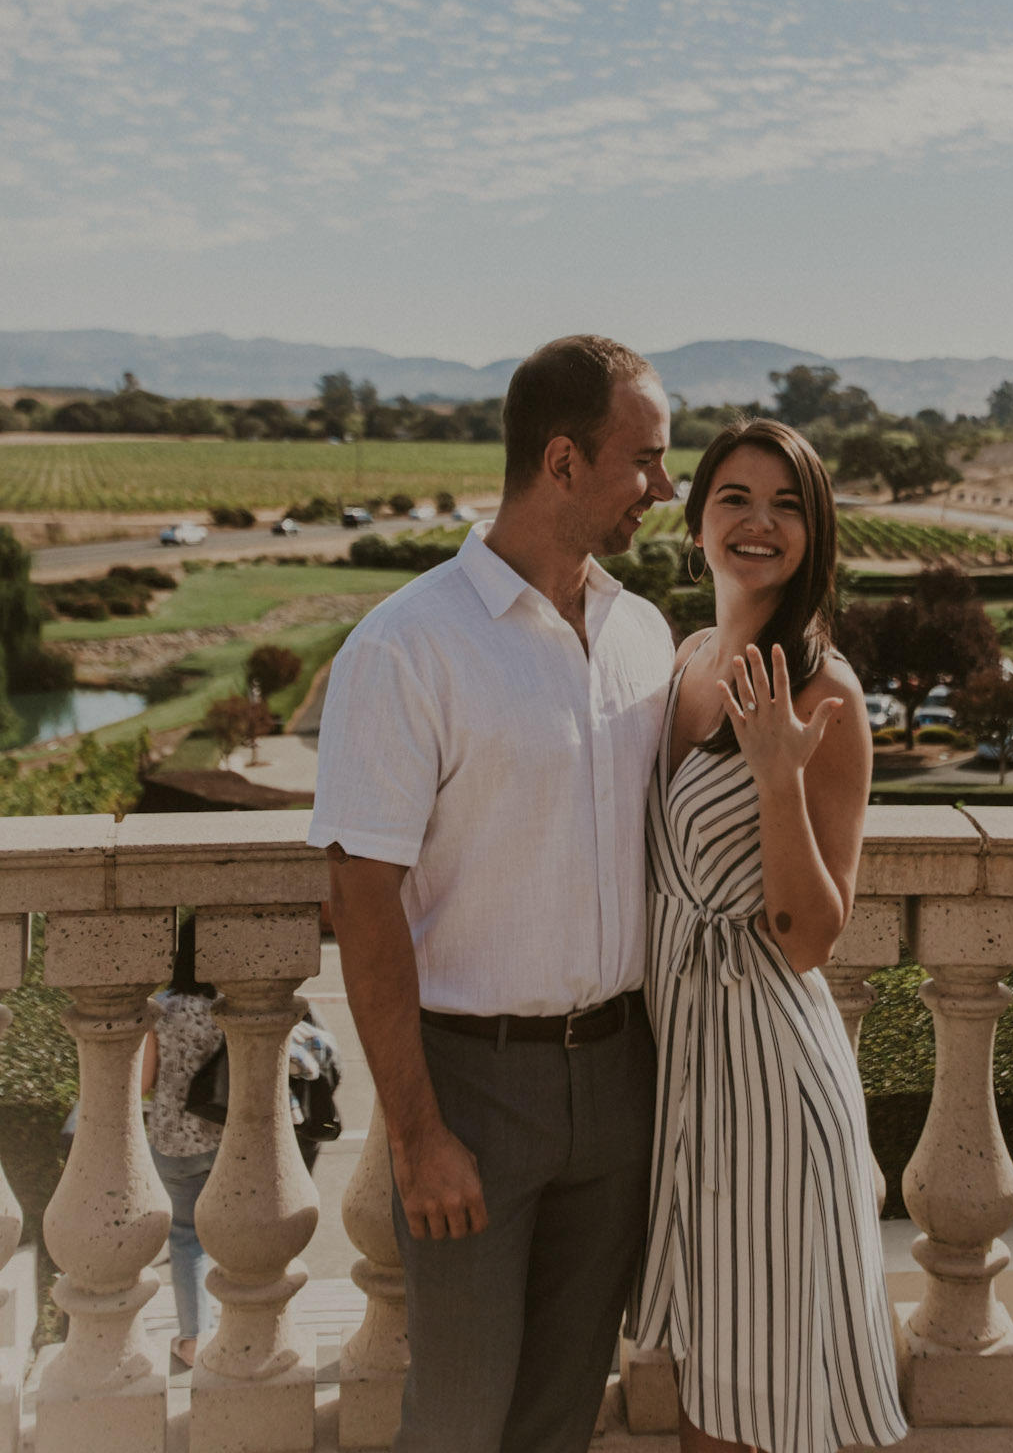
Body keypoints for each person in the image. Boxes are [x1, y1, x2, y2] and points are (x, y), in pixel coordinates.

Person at [308, 334, 678, 1453]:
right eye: (647, 460)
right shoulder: (409, 646)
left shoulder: (644, 637)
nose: (664, 489)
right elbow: (360, 894)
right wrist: (417, 1134)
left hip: (621, 1083)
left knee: (563, 1413)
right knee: (460, 1419)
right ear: (561, 461)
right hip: (473, 1088)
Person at [628, 418, 908, 1453]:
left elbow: (809, 936)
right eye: (737, 496)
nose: (759, 521)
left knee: (770, 1408)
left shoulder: (826, 692)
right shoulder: (687, 655)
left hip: (772, 1086)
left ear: (815, 531)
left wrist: (780, 775)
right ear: (700, 517)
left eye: (788, 503)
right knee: (711, 1396)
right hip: (687, 1075)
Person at [142, 913, 222, 1370]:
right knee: (232, 1230)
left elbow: (145, 1082)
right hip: (225, 1137)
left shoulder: (162, 1008)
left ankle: (192, 1338)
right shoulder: (228, 1008)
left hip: (173, 1140)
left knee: (187, 1238)